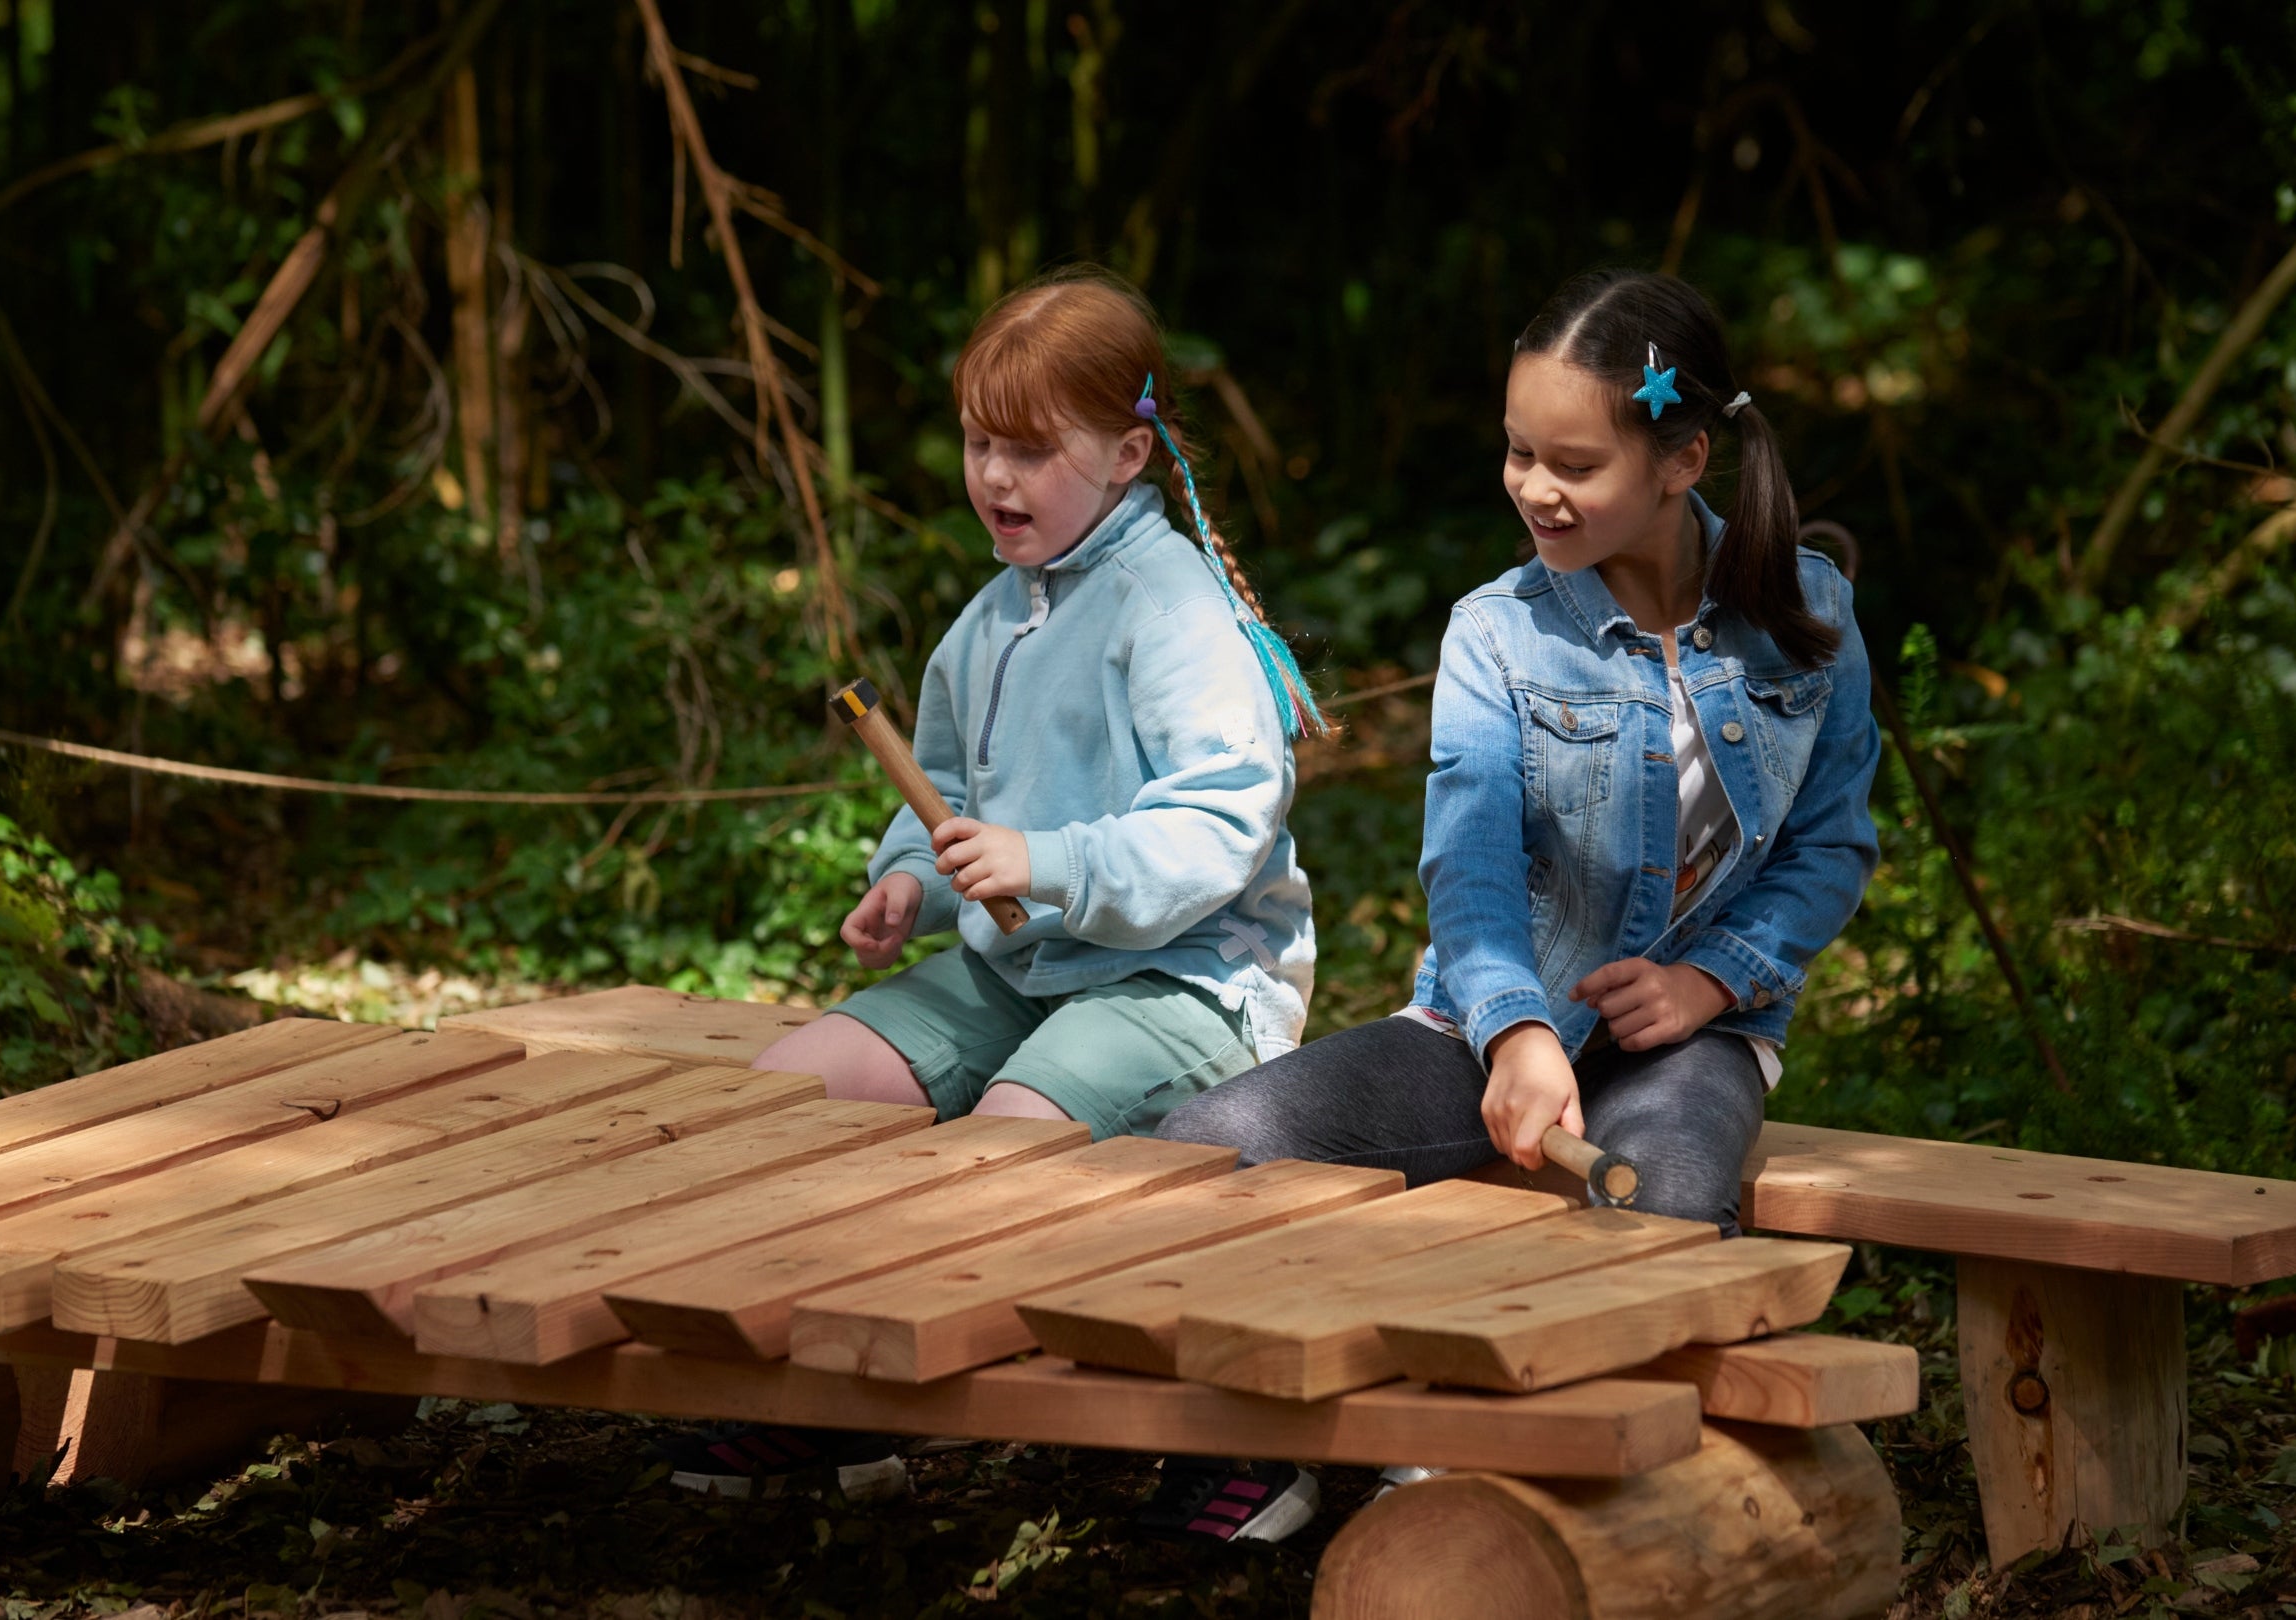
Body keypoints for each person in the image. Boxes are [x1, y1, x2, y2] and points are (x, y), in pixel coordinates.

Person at [663, 269, 1325, 1522]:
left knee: (1011, 1144)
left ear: (1128, 453)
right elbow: (950, 792)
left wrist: (1048, 859)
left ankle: (1226, 1432)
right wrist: (912, 882)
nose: (995, 478)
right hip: (1018, 970)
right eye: (979, 443)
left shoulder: (1174, 611)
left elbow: (1221, 826)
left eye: (1030, 450)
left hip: (1182, 981)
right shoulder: (986, 622)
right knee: (787, 1097)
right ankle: (829, 1402)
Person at [1159, 266, 1879, 1257]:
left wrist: (1708, 984)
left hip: (1694, 1039)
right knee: (1203, 1146)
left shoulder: (1811, 611)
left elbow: (1830, 848)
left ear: (1683, 460)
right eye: (1519, 450)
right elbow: (1472, 868)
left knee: (1661, 1211)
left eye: (1575, 465)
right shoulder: (1495, 635)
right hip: (1492, 1026)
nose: (1535, 489)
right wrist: (1516, 1032)